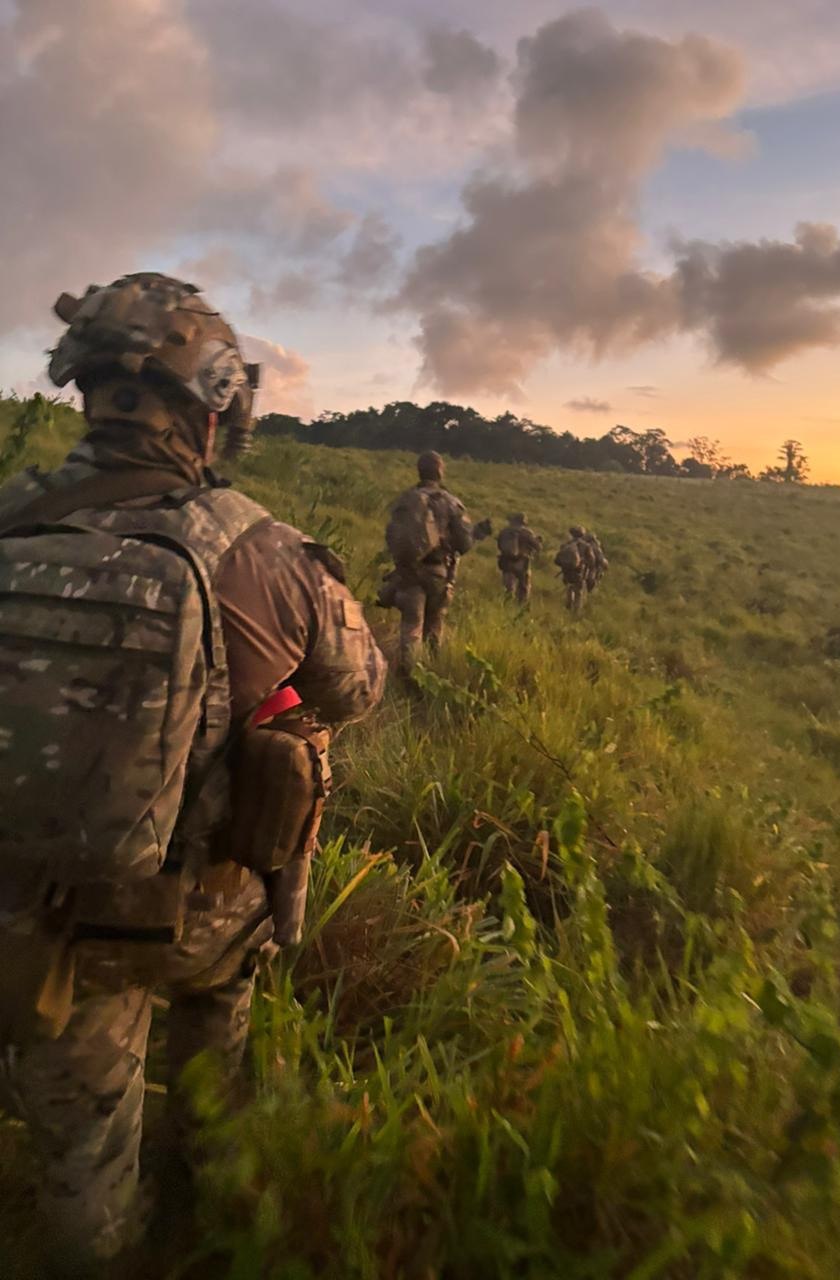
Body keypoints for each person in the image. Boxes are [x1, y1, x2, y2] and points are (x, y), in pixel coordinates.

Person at [0, 272, 386, 1275]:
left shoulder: (9, 516)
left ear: (86, 390)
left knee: (78, 1175)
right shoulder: (266, 551)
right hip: (199, 917)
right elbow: (358, 689)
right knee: (221, 998)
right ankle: (209, 1184)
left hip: (33, 920)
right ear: (213, 412)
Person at [382, 451, 488, 676]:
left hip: (408, 573)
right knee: (434, 628)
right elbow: (464, 544)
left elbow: (392, 536)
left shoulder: (405, 499)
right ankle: (430, 676)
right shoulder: (451, 503)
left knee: (410, 627)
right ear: (440, 471)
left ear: (419, 470)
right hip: (438, 574)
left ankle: (408, 676)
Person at [496, 512, 543, 604]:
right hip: (523, 563)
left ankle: (506, 606)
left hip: (507, 563)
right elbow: (538, 547)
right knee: (524, 588)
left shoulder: (505, 531)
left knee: (508, 588)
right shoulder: (527, 532)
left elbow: (499, 545)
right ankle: (520, 607)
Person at [555, 525, 592, 613]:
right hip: (579, 572)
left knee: (569, 588)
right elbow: (591, 560)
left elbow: (560, 558)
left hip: (567, 571)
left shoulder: (566, 544)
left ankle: (568, 605)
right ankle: (576, 612)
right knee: (578, 592)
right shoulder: (586, 546)